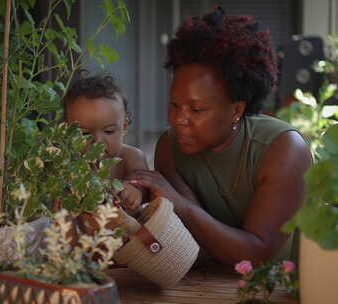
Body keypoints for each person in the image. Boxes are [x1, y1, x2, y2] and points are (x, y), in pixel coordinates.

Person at [128, 7, 312, 266]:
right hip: (202, 284)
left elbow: (256, 256)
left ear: (237, 109)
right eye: (174, 105)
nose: (179, 119)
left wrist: (178, 204)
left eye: (197, 109)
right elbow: (193, 239)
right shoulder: (170, 148)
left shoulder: (283, 150)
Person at [63, 75, 148, 215]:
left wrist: (134, 193)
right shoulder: (69, 163)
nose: (97, 142)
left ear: (124, 127)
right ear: (67, 131)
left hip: (125, 229)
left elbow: (146, 191)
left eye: (109, 131)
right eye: (84, 133)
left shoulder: (131, 157)